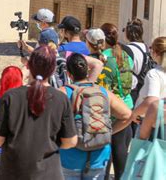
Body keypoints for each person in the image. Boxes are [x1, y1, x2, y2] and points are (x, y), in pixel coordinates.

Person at [0, 45, 78, 180]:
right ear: (53, 69)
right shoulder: (61, 99)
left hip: (14, 172)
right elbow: (70, 141)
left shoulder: (11, 96)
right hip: (49, 173)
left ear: (28, 66)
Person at [59, 53, 132, 180]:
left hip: (70, 156)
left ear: (69, 74)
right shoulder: (103, 92)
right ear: (87, 71)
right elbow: (127, 115)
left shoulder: (63, 93)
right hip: (99, 155)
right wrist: (109, 132)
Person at [96, 23, 134, 180]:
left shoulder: (104, 57)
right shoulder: (126, 55)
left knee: (109, 150)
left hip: (113, 108)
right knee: (121, 149)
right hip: (128, 104)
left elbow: (102, 84)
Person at [131, 37, 166, 125]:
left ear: (155, 53)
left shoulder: (154, 74)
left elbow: (151, 101)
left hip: (152, 126)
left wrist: (134, 114)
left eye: (151, 48)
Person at [123, 18, 153, 103]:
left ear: (128, 33)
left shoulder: (127, 49)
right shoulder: (147, 48)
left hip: (132, 91)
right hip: (144, 88)